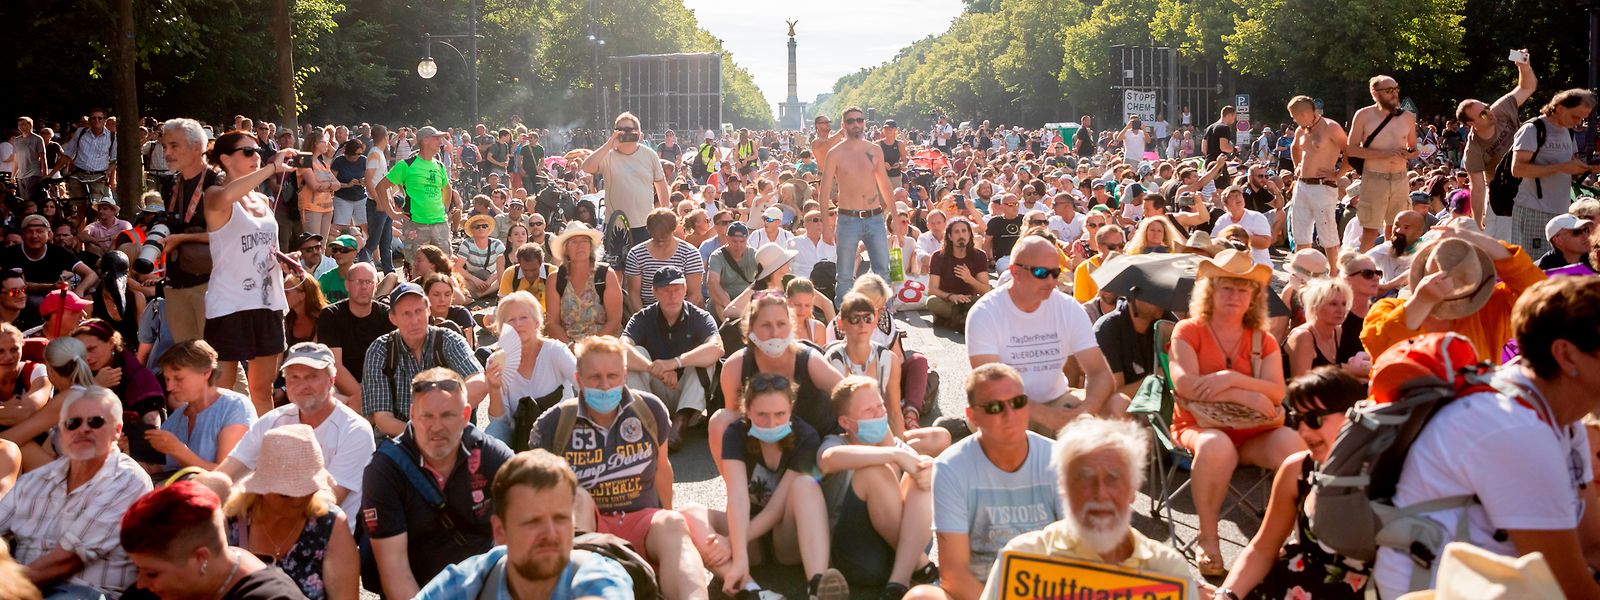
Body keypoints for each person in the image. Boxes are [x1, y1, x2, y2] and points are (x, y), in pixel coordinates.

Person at [1373, 277, 1600, 598]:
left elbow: (1592, 544)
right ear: (1567, 355)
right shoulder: (1515, 430)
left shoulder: (1562, 418)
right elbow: (1569, 584)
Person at [528, 336, 722, 600]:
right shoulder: (554, 424)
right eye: (595, 378)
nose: (605, 386)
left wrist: (666, 518)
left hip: (640, 518)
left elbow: (662, 470)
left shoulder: (649, 410)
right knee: (577, 496)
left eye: (613, 376)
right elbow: (537, 492)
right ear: (579, 379)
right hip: (587, 527)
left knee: (674, 523)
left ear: (625, 375)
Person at [1167, 248, 1306, 576]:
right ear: (1210, 290)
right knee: (1217, 447)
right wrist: (1248, 392)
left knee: (1295, 449)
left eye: (1243, 290)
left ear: (1254, 298)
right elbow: (1186, 385)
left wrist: (1228, 380)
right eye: (1226, 287)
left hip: (1256, 431)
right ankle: (1208, 537)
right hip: (1200, 426)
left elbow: (1277, 392)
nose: (1235, 295)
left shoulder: (1263, 338)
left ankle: (1291, 535)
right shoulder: (1188, 330)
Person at [975, 416, 1198, 600]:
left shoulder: (1167, 571)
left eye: (1114, 479)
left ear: (1133, 490)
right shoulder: (1024, 557)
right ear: (1063, 487)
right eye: (1084, 478)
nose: (1100, 493)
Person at [903, 364, 1062, 600]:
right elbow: (954, 574)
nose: (1010, 415)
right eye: (995, 407)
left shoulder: (1059, 459)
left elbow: (1078, 552)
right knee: (921, 597)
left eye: (1017, 402)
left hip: (1048, 589)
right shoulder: (951, 467)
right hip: (979, 593)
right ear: (972, 417)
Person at [1214, 366, 1368, 600]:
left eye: (1314, 419)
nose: (1304, 431)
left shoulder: (1386, 475)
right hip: (1284, 589)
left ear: (1352, 415)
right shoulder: (1298, 469)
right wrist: (1226, 596)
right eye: (1297, 420)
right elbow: (1262, 548)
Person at [695, 373, 850, 599]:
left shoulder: (806, 437)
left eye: (780, 415)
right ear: (747, 411)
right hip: (750, 539)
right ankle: (751, 590)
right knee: (689, 514)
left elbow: (776, 509)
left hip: (786, 538)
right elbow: (737, 497)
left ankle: (817, 585)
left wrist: (731, 543)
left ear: (791, 409)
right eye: (762, 415)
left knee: (805, 485)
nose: (771, 423)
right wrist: (739, 557)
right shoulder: (735, 434)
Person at [364, 367, 514, 599]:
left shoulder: (489, 454)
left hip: (482, 587)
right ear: (412, 415)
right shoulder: (385, 470)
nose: (436, 427)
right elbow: (395, 571)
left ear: (465, 416)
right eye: (427, 416)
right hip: (417, 589)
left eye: (447, 415)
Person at [415, 449, 635, 600]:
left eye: (560, 518)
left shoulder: (597, 574)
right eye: (533, 521)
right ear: (500, 531)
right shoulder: (469, 581)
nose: (550, 533)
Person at [0, 387, 153, 598]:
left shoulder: (128, 480)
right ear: (62, 432)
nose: (83, 430)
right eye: (73, 423)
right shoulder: (37, 480)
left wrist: (8, 588)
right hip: (25, 588)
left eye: (96, 422)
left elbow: (65, 562)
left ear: (117, 430)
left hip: (84, 592)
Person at [219, 342, 375, 531]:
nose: (303, 385)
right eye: (294, 377)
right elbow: (227, 472)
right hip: (267, 531)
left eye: (312, 377)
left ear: (331, 380)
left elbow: (328, 500)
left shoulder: (356, 431)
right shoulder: (271, 421)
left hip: (324, 539)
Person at [968, 237, 1116, 434]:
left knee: (1112, 408)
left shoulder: (1068, 307)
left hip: (1056, 400)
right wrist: (1046, 417)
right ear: (1015, 272)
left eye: (1055, 273)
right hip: (1003, 406)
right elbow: (991, 387)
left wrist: (1086, 409)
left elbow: (1100, 372)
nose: (1051, 281)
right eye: (1041, 273)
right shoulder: (985, 312)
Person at [815, 377, 937, 596]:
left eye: (880, 405)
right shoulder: (836, 442)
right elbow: (828, 459)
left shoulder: (894, 444)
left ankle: (898, 585)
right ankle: (921, 567)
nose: (880, 413)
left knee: (921, 471)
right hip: (862, 559)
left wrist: (926, 469)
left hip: (908, 549)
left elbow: (926, 475)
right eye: (869, 411)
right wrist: (894, 455)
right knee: (874, 470)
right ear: (846, 422)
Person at [203, 129, 294, 416]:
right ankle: (217, 451)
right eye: (248, 152)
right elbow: (230, 194)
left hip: (267, 302)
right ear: (226, 159)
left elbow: (268, 247)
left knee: (262, 389)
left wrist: (285, 260)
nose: (256, 156)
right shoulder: (215, 195)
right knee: (222, 391)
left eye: (259, 151)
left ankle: (264, 452)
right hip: (230, 304)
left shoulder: (264, 202)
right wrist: (271, 168)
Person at [1360, 225, 1544, 365]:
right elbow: (1379, 348)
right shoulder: (1387, 308)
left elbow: (1538, 292)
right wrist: (1421, 302)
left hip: (1475, 412)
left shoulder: (1489, 310)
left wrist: (1473, 238)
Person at [709, 293, 845, 471]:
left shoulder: (809, 359)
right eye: (766, 325)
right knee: (720, 420)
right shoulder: (735, 366)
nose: (775, 333)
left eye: (781, 324)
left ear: (791, 325)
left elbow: (849, 396)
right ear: (749, 330)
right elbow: (735, 429)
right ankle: (740, 489)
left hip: (817, 445)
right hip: (769, 445)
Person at [222, 424, 359, 600]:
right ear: (261, 489)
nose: (298, 501)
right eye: (285, 494)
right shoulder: (231, 521)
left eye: (307, 491)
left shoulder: (330, 525)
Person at [121, 480, 305, 600]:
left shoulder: (273, 597)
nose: (141, 583)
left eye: (152, 573)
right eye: (139, 570)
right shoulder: (154, 590)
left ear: (201, 558)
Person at [361, 283, 482, 437]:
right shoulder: (380, 350)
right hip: (401, 436)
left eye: (419, 311)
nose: (414, 320)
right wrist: (424, 434)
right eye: (406, 314)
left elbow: (478, 382)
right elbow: (383, 419)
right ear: (393, 318)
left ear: (428, 311)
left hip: (449, 432)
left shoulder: (448, 339)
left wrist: (442, 413)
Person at [622, 267, 722, 450]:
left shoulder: (700, 316)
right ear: (654, 292)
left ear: (685, 290)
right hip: (654, 391)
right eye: (666, 290)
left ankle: (681, 422)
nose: (672, 295)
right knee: (637, 351)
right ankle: (648, 421)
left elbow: (717, 348)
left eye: (677, 289)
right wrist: (655, 369)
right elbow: (621, 348)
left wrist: (675, 363)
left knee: (705, 358)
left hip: (686, 392)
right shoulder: (643, 317)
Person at [821, 107, 898, 307]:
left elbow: (884, 184)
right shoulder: (835, 153)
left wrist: (895, 217)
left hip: (875, 217)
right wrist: (826, 226)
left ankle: (885, 317)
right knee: (845, 275)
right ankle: (843, 320)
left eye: (859, 120)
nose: (856, 124)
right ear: (843, 125)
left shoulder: (875, 150)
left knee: (883, 271)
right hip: (847, 219)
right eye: (851, 121)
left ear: (864, 123)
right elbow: (824, 191)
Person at [1509, 89, 1600, 254]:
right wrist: (1561, 168)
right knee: (1534, 264)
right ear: (1559, 108)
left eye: (1582, 118)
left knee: (1556, 266)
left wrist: (1586, 168)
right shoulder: (1532, 129)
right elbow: (1517, 169)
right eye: (1575, 116)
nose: (1578, 122)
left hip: (1561, 210)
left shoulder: (1568, 130)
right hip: (1534, 209)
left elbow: (1569, 164)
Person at [483, 291, 575, 449]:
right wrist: (494, 388)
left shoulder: (555, 351)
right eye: (511, 320)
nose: (518, 324)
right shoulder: (496, 362)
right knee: (491, 435)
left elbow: (584, 383)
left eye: (524, 317)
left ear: (537, 322)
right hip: (520, 434)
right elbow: (499, 422)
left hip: (559, 432)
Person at [148, 340, 256, 471]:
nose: (169, 387)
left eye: (178, 378)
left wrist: (179, 450)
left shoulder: (235, 407)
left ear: (206, 372)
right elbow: (157, 468)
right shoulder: (177, 418)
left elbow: (227, 475)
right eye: (167, 379)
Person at [153, 118, 215, 344]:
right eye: (164, 146)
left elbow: (227, 234)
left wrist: (181, 239)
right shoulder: (173, 183)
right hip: (175, 282)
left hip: (208, 284)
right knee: (188, 355)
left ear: (197, 147)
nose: (167, 152)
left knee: (217, 357)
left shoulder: (215, 182)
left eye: (174, 146)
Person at [1461, 48, 1538, 230]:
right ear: (1472, 123)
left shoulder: (1500, 109)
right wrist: (1477, 222)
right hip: (1503, 195)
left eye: (1487, 107)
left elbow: (1527, 87)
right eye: (1483, 114)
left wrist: (1524, 68)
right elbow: (1478, 189)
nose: (1489, 113)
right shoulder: (1473, 150)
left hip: (1531, 180)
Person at [1347, 75, 1420, 252]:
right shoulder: (1364, 115)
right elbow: (1351, 149)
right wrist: (1383, 154)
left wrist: (1409, 155)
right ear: (1375, 93)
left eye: (1396, 89)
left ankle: (1391, 271)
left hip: (1400, 179)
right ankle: (1362, 273)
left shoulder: (1408, 117)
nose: (1394, 94)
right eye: (1388, 91)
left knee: (1397, 229)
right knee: (1370, 232)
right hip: (1374, 178)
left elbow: (1414, 149)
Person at [580, 113, 670, 255]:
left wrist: (665, 214)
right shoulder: (608, 155)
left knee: (643, 268)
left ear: (638, 132)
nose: (623, 133)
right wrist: (609, 144)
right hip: (616, 225)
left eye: (628, 129)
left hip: (645, 225)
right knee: (617, 268)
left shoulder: (649, 155)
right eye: (619, 129)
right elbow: (586, 167)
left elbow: (661, 184)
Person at [376, 126, 456, 262]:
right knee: (416, 267)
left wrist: (445, 209)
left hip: (440, 224)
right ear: (425, 140)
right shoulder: (406, 165)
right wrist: (391, 213)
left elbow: (447, 188)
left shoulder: (439, 165)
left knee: (444, 267)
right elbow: (381, 187)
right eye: (437, 138)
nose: (441, 142)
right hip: (416, 225)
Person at [316, 262, 389, 407]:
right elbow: (335, 365)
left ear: (375, 287)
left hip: (378, 383)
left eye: (369, 282)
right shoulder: (330, 315)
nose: (363, 287)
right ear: (347, 286)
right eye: (358, 282)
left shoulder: (387, 315)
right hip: (340, 385)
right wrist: (362, 399)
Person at [1288, 95, 1349, 263]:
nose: (1293, 119)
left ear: (1304, 113)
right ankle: (1303, 270)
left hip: (1323, 186)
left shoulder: (1331, 127)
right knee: (1300, 232)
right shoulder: (1302, 129)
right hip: (1302, 185)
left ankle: (1335, 272)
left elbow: (1350, 152)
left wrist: (1337, 174)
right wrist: (1297, 166)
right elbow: (1294, 148)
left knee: (1327, 232)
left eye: (1294, 115)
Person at [75, 318, 165, 422]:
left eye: (91, 349)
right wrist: (95, 386)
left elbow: (152, 420)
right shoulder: (75, 374)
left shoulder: (137, 375)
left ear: (111, 343)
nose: (87, 357)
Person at [547, 222, 622, 344]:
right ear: (565, 249)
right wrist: (571, 348)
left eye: (584, 241)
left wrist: (590, 348)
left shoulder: (606, 275)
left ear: (591, 246)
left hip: (603, 346)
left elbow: (614, 321)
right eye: (574, 242)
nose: (580, 246)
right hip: (567, 348)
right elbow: (553, 324)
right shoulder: (555, 279)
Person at [1, 214, 97, 305]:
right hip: (20, 298)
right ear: (22, 235)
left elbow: (91, 274)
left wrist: (79, 290)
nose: (34, 236)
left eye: (39, 231)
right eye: (29, 231)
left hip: (54, 299)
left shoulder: (59, 252)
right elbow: (20, 285)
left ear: (49, 235)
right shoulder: (11, 253)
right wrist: (51, 287)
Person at [1285, 278, 1369, 380]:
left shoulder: (1337, 331)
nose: (1341, 310)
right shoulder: (1303, 336)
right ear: (1315, 307)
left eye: (1344, 304)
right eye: (1333, 304)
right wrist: (1347, 369)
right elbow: (1300, 384)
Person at [624, 208, 706, 313]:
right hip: (648, 312)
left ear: (674, 230)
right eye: (657, 239)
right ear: (648, 231)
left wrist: (679, 317)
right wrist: (643, 318)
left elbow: (694, 294)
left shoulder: (690, 253)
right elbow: (634, 293)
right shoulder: (636, 254)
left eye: (665, 239)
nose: (661, 243)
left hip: (682, 311)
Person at [1094, 294, 1176, 399]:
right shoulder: (1107, 329)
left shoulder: (1166, 322)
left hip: (1159, 405)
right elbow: (1114, 395)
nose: (1161, 300)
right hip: (1120, 409)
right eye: (1153, 293)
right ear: (1133, 295)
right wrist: (1158, 376)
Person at [927, 218, 990, 332]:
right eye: (956, 232)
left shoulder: (980, 255)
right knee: (931, 301)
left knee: (990, 302)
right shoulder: (938, 256)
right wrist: (951, 296)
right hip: (947, 300)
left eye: (964, 231)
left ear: (970, 234)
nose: (961, 235)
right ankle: (967, 319)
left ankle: (954, 319)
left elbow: (986, 290)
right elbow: (932, 290)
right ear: (950, 237)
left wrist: (970, 279)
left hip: (969, 301)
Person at [707, 222, 757, 318]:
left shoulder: (753, 254)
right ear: (727, 239)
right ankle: (725, 329)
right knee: (717, 300)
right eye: (734, 241)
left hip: (746, 299)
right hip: (724, 300)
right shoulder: (717, 256)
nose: (738, 246)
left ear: (746, 240)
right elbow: (713, 282)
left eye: (742, 241)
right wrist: (730, 306)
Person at [457, 213, 507, 300]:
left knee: (504, 277)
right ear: (471, 231)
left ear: (488, 229)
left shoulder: (497, 243)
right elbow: (458, 267)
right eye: (477, 227)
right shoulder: (467, 243)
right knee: (457, 280)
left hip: (492, 279)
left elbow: (504, 265)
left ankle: (479, 295)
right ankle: (489, 292)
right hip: (473, 279)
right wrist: (475, 280)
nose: (481, 228)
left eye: (484, 226)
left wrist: (489, 281)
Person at [315, 235, 360, 303]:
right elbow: (316, 303)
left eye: (343, 250)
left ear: (355, 253)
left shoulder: (363, 277)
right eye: (335, 250)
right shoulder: (326, 278)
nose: (338, 253)